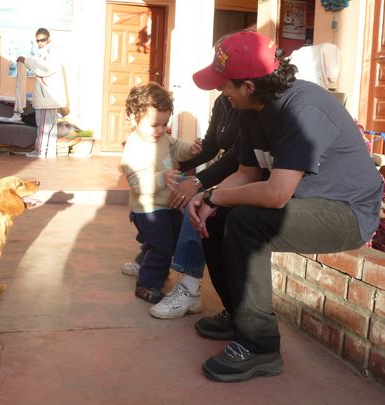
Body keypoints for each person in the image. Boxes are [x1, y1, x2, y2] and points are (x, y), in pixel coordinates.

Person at [186, 31, 383, 383]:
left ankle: (260, 346)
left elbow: (276, 194)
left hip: (347, 212)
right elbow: (247, 174)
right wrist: (208, 197)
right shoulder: (249, 110)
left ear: (248, 86)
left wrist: (216, 197)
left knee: (246, 222)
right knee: (219, 218)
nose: (221, 92)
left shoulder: (302, 108)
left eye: (224, 85)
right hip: (304, 202)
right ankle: (237, 314)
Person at [148, 94, 241, 319]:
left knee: (197, 202)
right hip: (225, 177)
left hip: (243, 179)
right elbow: (210, 146)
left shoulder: (248, 101)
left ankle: (190, 290)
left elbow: (236, 158)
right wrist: (178, 167)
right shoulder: (222, 101)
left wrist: (198, 183)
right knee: (168, 189)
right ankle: (150, 254)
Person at [120, 82, 201, 304]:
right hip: (147, 210)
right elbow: (137, 184)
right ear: (133, 119)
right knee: (163, 246)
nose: (160, 130)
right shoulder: (133, 148)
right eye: (154, 124)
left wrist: (190, 149)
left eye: (165, 124)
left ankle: (144, 258)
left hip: (167, 205)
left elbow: (176, 147)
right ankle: (147, 284)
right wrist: (160, 178)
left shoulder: (163, 138)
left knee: (173, 239)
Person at [17, 28, 67, 158]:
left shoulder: (51, 52)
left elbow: (43, 68)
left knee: (44, 126)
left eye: (42, 40)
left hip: (47, 97)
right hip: (50, 97)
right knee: (50, 127)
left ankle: (39, 151)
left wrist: (25, 60)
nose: (40, 43)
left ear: (48, 39)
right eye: (38, 40)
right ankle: (49, 152)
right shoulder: (49, 52)